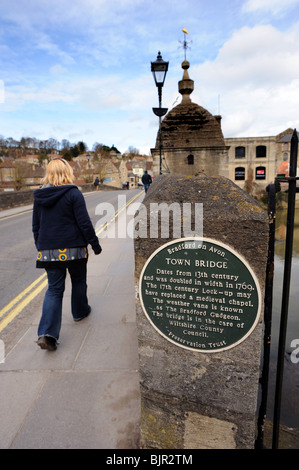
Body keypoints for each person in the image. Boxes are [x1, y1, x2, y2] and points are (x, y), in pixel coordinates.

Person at [32, 158, 102, 351]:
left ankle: (47, 334)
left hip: (48, 251)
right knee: (79, 281)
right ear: (67, 171)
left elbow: (36, 227)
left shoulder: (39, 196)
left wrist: (42, 248)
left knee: (54, 289)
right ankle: (79, 311)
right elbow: (84, 223)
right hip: (75, 249)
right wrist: (95, 245)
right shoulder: (73, 193)